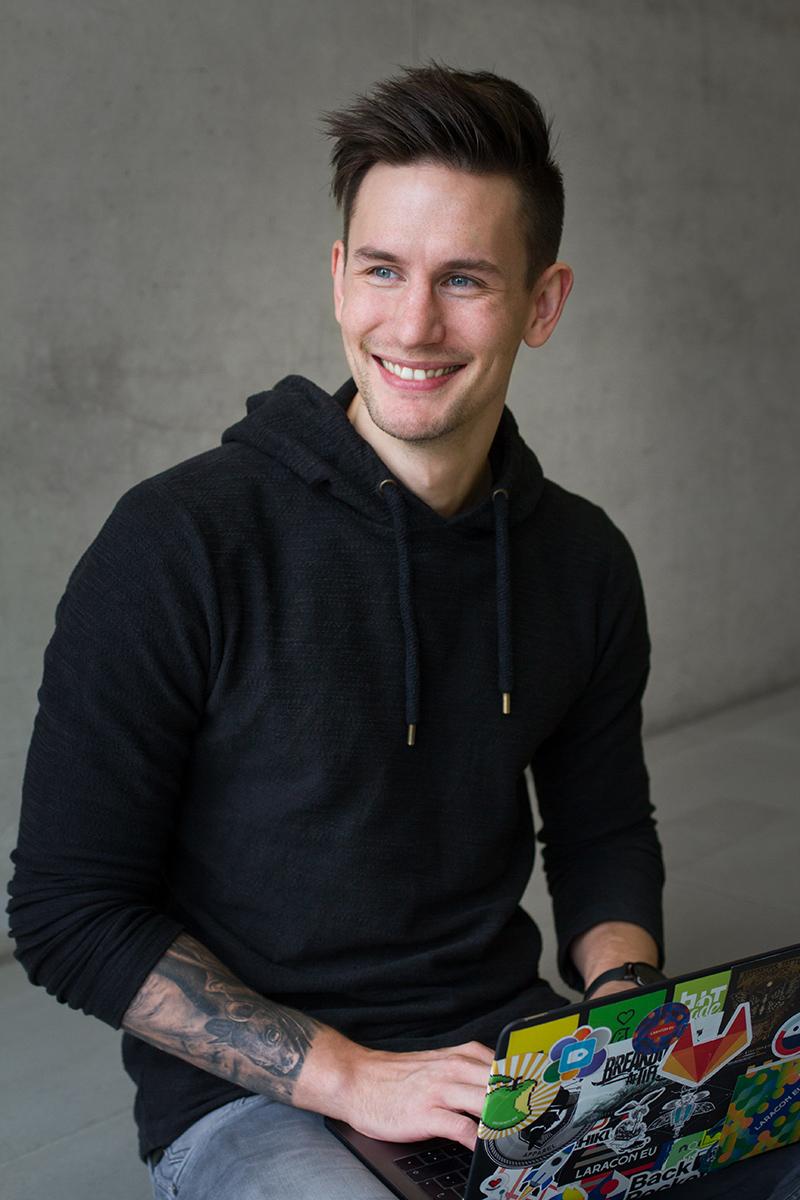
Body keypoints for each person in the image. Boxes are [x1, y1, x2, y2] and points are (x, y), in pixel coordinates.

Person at [7, 63, 799, 1200]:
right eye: (383, 269)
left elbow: (600, 827)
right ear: (338, 278)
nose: (413, 324)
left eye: (465, 279)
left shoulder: (579, 561)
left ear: (542, 302)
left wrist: (624, 1009)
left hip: (499, 1058)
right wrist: (348, 1076)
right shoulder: (178, 542)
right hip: (253, 1097)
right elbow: (64, 912)